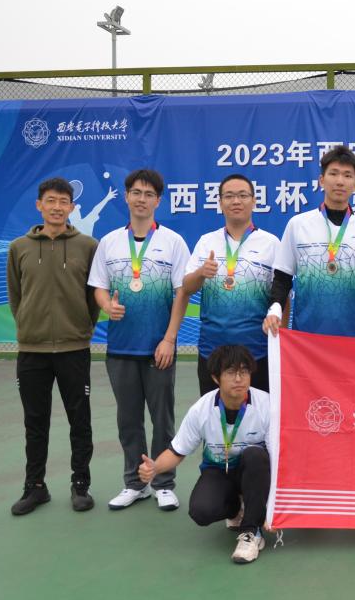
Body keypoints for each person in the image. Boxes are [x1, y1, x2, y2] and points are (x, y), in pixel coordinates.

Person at [88, 168, 191, 512]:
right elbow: (99, 287)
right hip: (120, 348)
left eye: (149, 194)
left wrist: (170, 339)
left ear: (158, 201)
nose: (141, 199)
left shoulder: (173, 242)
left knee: (162, 419)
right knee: (128, 420)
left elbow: (182, 293)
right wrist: (107, 305)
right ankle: (135, 483)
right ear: (127, 197)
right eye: (136, 193)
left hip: (158, 348)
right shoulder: (109, 242)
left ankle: (162, 482)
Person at [6, 177, 100, 515]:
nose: (57, 207)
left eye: (63, 202)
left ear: (72, 207)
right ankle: (35, 487)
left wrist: (81, 327)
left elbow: (93, 297)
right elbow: (16, 296)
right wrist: (29, 325)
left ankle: (80, 485)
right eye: (50, 200)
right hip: (32, 351)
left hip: (75, 349)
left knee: (80, 421)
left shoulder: (88, 246)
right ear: (39, 205)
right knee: (35, 423)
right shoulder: (19, 247)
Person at [138, 345, 273, 564]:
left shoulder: (267, 405)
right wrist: (155, 468)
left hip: (255, 473)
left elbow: (281, 455)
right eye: (231, 372)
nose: (239, 379)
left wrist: (275, 508)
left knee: (255, 456)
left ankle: (251, 532)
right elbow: (177, 450)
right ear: (216, 378)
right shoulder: (201, 409)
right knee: (201, 511)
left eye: (244, 371)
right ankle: (236, 508)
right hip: (219, 471)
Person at [263, 145, 355, 338]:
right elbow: (282, 278)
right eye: (333, 174)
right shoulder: (298, 224)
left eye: (347, 175)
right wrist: (275, 309)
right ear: (322, 180)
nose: (340, 181)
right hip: (307, 337)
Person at [183, 173, 283, 395]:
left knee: (259, 413)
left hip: (257, 351)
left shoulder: (271, 244)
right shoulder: (206, 242)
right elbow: (187, 287)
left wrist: (280, 341)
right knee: (214, 413)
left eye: (242, 195)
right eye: (229, 196)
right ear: (220, 202)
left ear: (254, 200)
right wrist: (201, 273)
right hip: (212, 351)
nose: (236, 201)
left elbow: (282, 296)